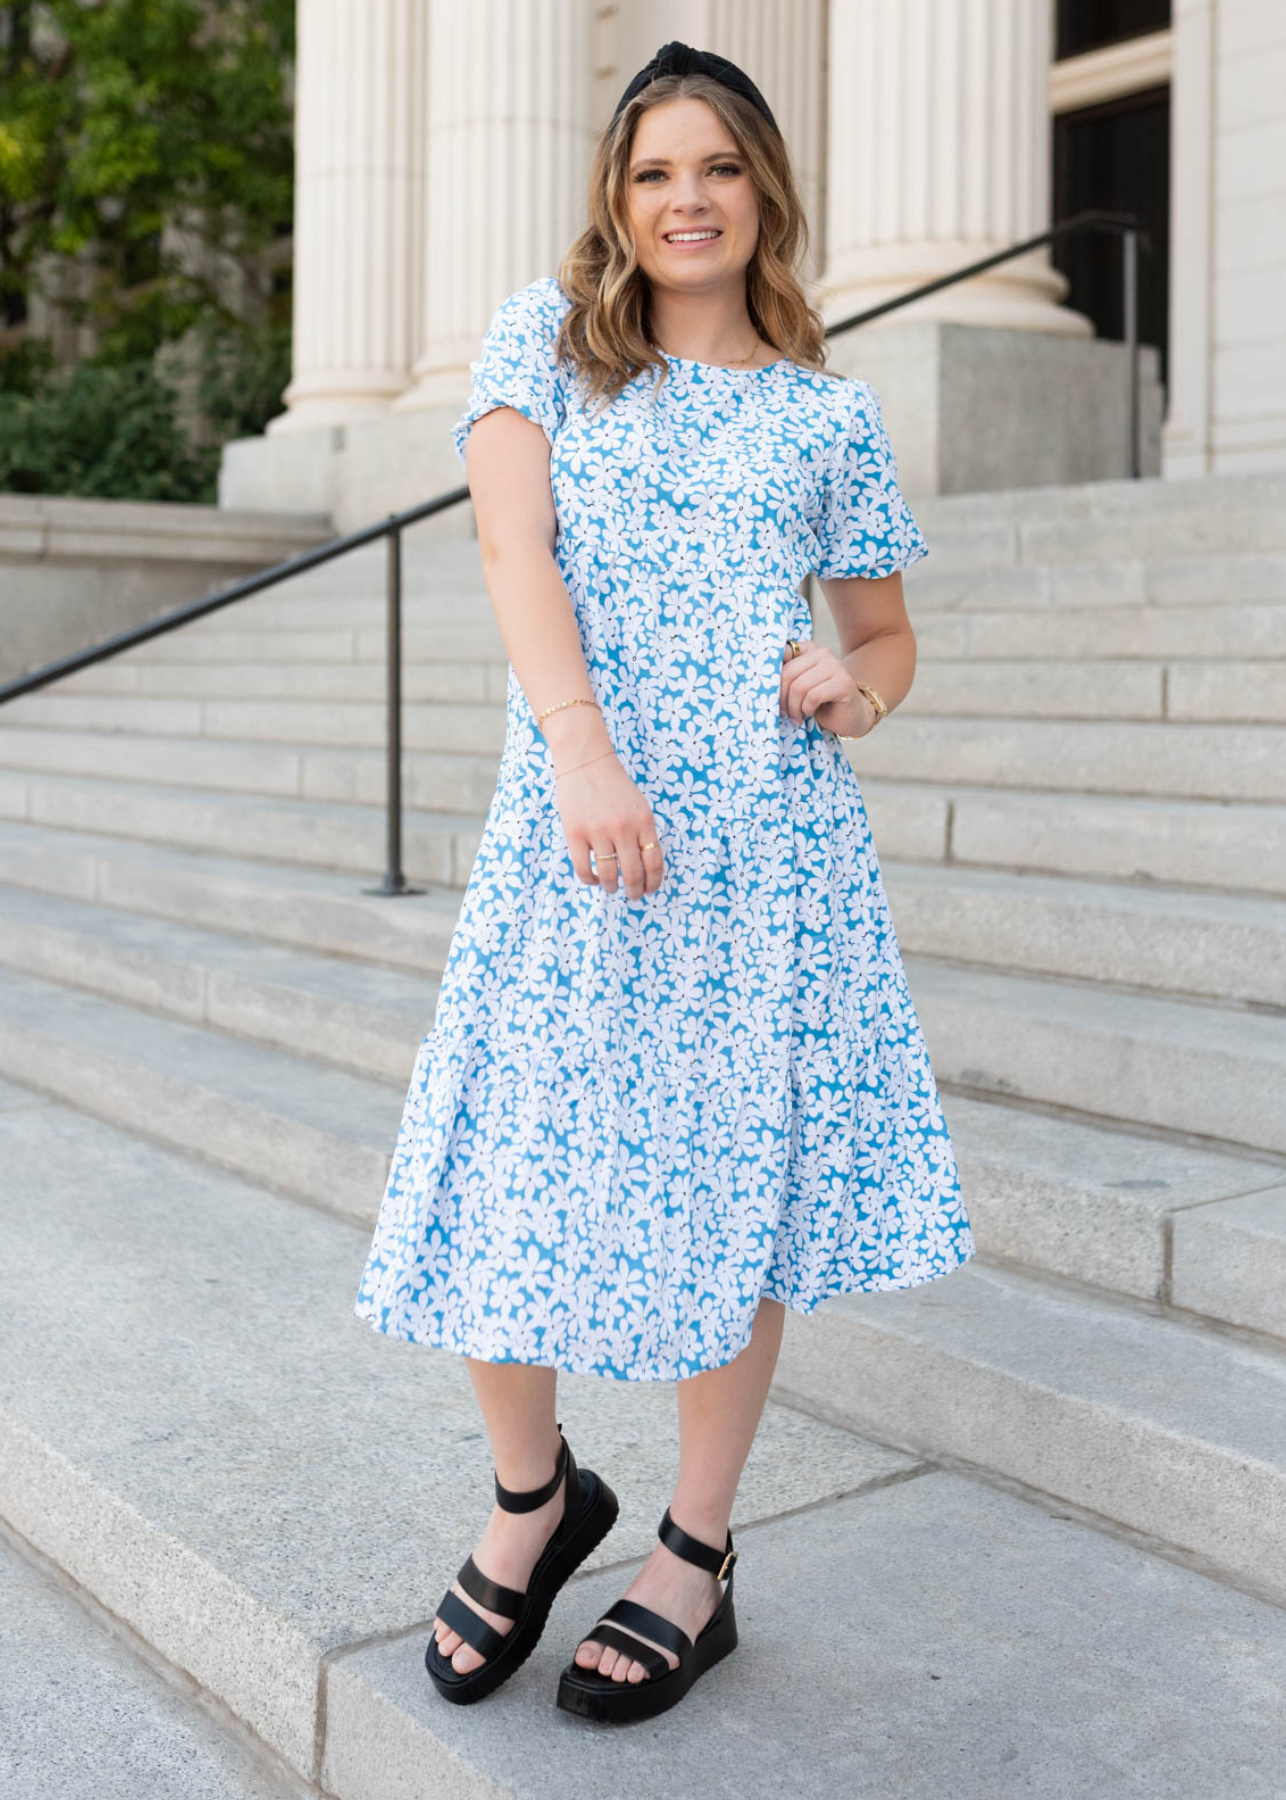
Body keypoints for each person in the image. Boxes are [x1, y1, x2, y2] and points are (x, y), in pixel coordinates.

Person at [353, 39, 976, 1725]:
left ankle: (694, 1548)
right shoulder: (542, 348)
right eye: (651, 172)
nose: (684, 198)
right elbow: (507, 548)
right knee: (510, 1164)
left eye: (715, 167)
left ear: (764, 189)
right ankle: (534, 1498)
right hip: (577, 826)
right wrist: (578, 746)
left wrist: (857, 691)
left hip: (766, 856)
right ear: (613, 200)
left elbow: (886, 636)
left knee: (731, 1191)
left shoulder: (825, 411)